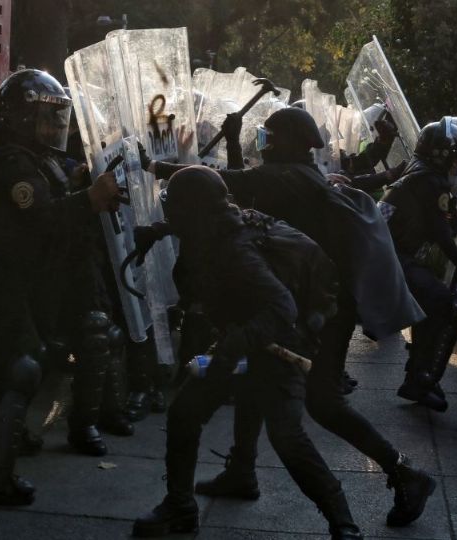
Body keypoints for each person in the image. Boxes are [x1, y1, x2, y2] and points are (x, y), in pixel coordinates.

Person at [140, 108, 434, 526]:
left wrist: (150, 164)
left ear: (288, 143)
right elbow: (221, 206)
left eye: (268, 139)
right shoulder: (300, 175)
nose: (264, 147)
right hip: (303, 300)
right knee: (255, 381)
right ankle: (242, 470)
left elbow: (221, 187)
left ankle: (403, 471)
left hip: (309, 313)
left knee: (318, 407)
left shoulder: (283, 178)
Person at [131, 166, 363, 539]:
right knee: (185, 411)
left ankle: (344, 523)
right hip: (240, 346)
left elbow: (282, 307)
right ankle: (182, 504)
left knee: (287, 436)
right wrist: (158, 232)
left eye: (175, 212)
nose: (172, 217)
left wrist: (236, 344)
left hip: (278, 347)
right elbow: (196, 225)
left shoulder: (236, 252)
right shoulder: (217, 223)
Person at [0, 69, 123, 505]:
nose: (53, 127)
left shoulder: (33, 157)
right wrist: (88, 199)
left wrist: (84, 185)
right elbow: (42, 217)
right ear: (24, 116)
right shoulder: (13, 161)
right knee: (22, 366)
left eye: (57, 117)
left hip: (21, 278)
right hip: (0, 278)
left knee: (21, 362)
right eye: (45, 117)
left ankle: (2, 446)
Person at [378, 118, 457, 412]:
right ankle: (421, 376)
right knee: (443, 300)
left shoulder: (419, 173)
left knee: (432, 302)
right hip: (392, 254)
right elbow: (441, 232)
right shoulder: (430, 180)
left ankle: (419, 373)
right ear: (441, 155)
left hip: (387, 249)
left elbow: (447, 223)